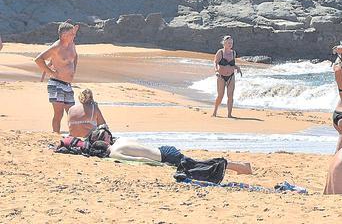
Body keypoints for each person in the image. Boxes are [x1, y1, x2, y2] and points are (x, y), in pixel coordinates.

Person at [109, 138, 252, 174]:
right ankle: (239, 166)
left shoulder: (114, 153)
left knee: (201, 165)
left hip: (166, 157)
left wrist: (159, 164)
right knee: (198, 164)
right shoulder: (120, 140)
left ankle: (240, 166)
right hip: (164, 149)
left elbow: (139, 159)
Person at [34, 21, 79, 133]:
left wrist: (73, 69)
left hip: (68, 84)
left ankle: (72, 136)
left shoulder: (71, 44)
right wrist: (50, 72)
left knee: (72, 112)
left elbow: (75, 56)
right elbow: (38, 60)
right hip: (56, 83)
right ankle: (56, 135)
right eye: (71, 34)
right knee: (59, 113)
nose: (74, 36)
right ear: (64, 35)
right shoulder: (56, 47)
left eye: (74, 34)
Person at [212, 35, 242, 118]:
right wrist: (216, 71)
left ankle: (229, 114)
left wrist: (237, 67)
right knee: (220, 96)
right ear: (224, 43)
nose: (230, 44)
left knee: (230, 96)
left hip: (231, 76)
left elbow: (231, 64)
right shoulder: (220, 52)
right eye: (228, 43)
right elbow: (215, 62)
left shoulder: (233, 53)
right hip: (221, 76)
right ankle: (215, 111)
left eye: (231, 43)